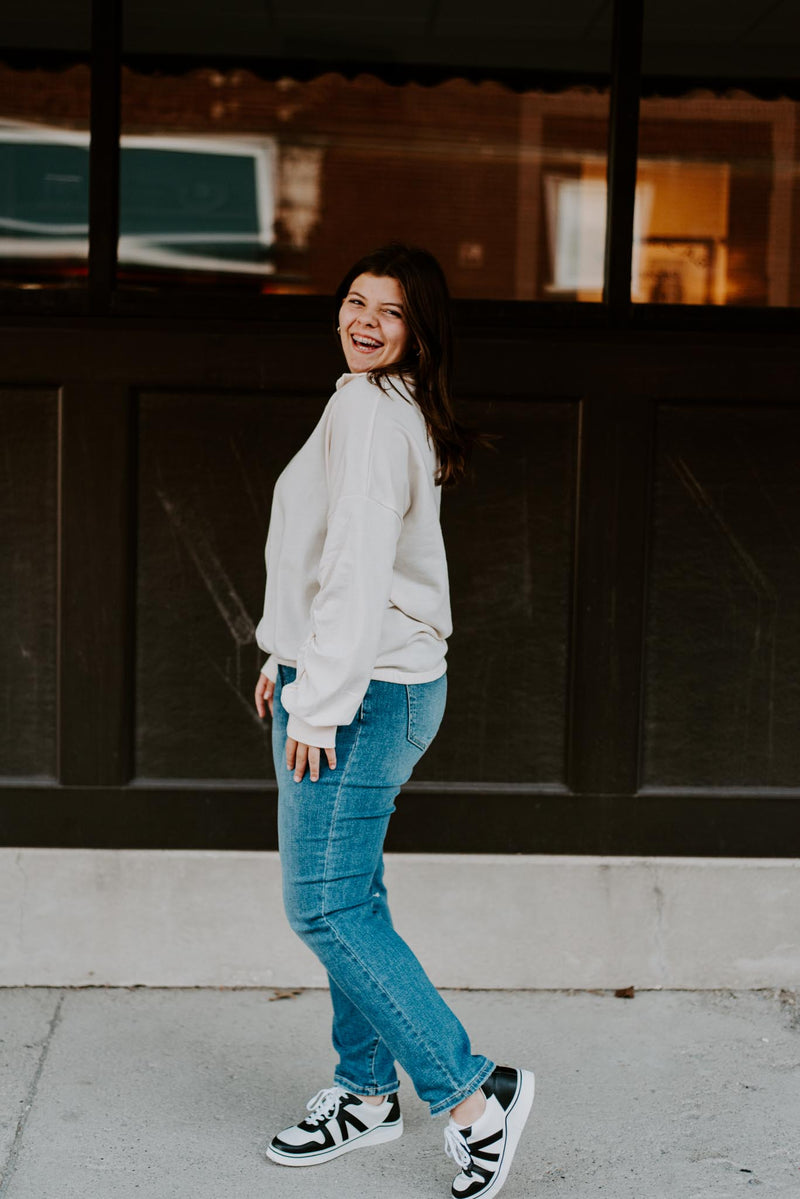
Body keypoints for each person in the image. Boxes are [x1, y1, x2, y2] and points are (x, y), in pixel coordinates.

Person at [253, 242, 534, 1198]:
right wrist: (286, 656)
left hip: (364, 692)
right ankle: (366, 1093)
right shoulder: (377, 402)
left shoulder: (372, 410)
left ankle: (474, 1097)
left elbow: (359, 567)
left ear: (420, 331)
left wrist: (319, 700)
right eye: (355, 301)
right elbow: (322, 550)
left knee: (323, 906)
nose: (365, 321)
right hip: (357, 677)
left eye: (392, 310)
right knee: (352, 898)